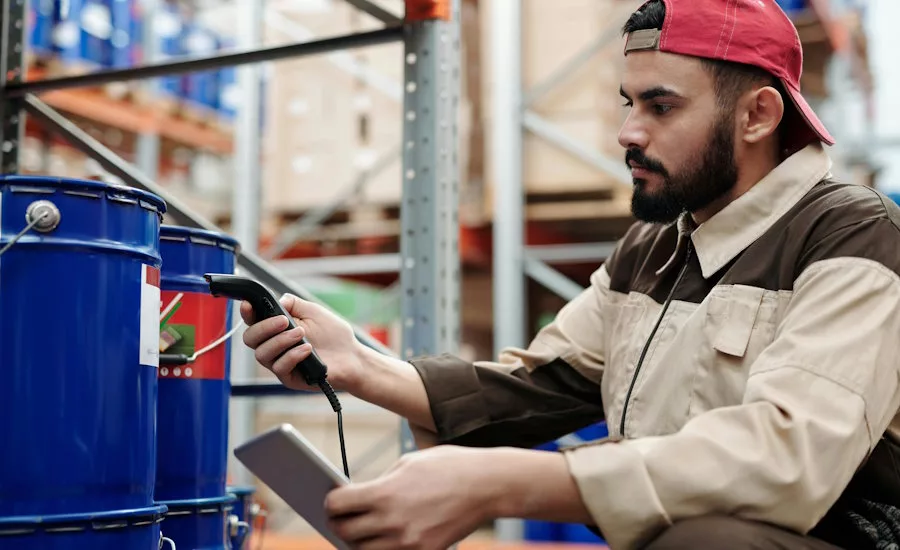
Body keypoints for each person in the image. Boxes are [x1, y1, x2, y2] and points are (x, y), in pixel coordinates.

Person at [241, 0, 900, 548]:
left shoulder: (853, 237)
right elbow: (545, 385)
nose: (627, 132)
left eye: (661, 107)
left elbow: (786, 459)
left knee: (705, 541)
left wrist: (499, 484)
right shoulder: (655, 247)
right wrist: (358, 364)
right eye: (626, 103)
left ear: (758, 115)